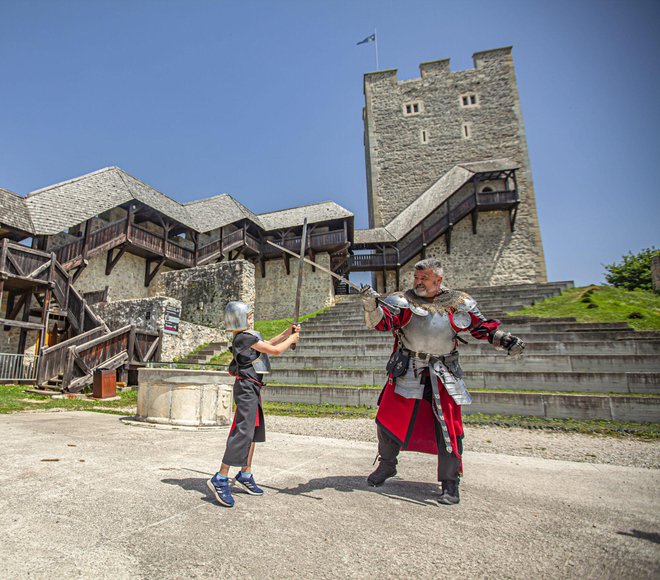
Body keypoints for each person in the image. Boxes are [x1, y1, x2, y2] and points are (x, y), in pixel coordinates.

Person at [360, 258, 525, 505]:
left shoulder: (458, 303)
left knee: (448, 427)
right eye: (416, 278)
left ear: (438, 280)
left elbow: (482, 328)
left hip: (443, 370)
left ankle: (450, 482)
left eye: (423, 279)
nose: (417, 283)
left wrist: (505, 340)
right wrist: (370, 305)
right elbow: (382, 324)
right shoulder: (403, 301)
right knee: (386, 420)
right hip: (408, 368)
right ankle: (387, 466)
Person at [207, 301, 300, 508]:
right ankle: (221, 478)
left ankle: (245, 473)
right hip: (246, 389)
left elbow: (268, 343)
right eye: (248, 317)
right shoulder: (242, 338)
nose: (251, 320)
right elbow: (273, 351)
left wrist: (287, 333)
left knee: (253, 432)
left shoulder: (248, 337)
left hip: (253, 388)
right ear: (238, 318)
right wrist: (292, 339)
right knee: (242, 432)